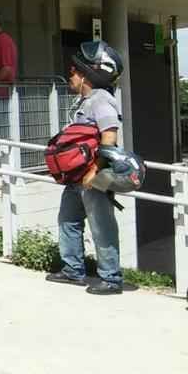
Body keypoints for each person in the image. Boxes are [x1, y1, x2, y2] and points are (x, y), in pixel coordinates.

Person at [46, 41, 126, 295]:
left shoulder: (101, 100)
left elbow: (109, 137)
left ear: (86, 75)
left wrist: (96, 171)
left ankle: (111, 279)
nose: (70, 75)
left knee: (102, 226)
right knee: (68, 220)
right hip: (76, 178)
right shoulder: (86, 100)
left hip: (93, 176)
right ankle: (73, 270)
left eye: (73, 72)